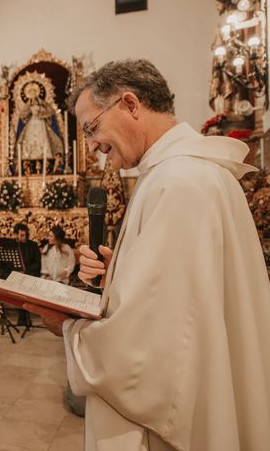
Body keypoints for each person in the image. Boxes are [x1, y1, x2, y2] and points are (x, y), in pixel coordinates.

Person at [26, 59, 270, 450]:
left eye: (91, 128)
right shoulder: (188, 173)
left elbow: (151, 344)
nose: (92, 146)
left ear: (130, 104)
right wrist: (117, 275)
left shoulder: (178, 183)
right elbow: (185, 296)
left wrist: (67, 329)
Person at [14, 223, 41, 327]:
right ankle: (21, 315)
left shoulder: (33, 245)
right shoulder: (13, 246)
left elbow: (38, 264)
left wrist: (25, 271)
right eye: (21, 235)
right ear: (16, 235)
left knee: (25, 288)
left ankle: (25, 315)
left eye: (24, 235)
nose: (23, 238)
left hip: (30, 274)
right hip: (16, 275)